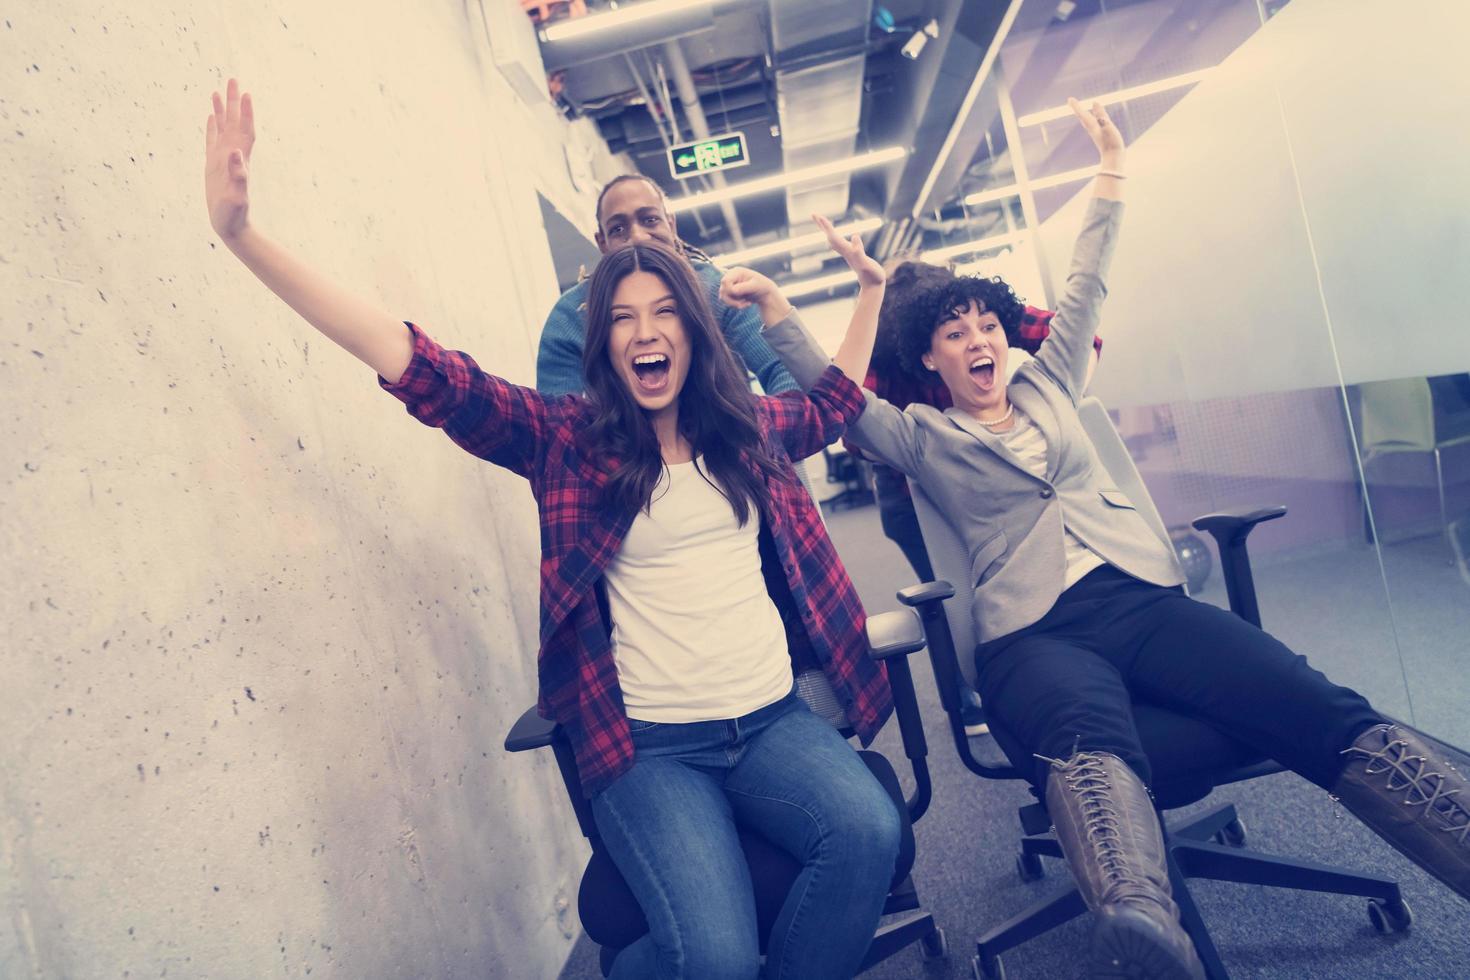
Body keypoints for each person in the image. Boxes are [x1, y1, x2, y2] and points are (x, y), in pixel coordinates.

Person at [747, 98, 1470, 980]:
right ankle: (1141, 928)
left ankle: (1456, 833)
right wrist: (793, 306)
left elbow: (1088, 280)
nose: (977, 340)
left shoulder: (1051, 382)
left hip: (1140, 597)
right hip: (1031, 634)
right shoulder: (919, 436)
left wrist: (1113, 170)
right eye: (954, 332)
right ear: (929, 359)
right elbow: (835, 396)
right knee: (1083, 734)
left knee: (1303, 694)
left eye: (986, 325)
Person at [203, 79, 901, 980]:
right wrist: (245, 236)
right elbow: (421, 367)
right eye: (621, 321)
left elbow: (837, 401)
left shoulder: (748, 431)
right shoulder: (568, 441)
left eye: (662, 316)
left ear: (691, 333)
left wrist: (871, 289)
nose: (644, 334)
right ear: (603, 345)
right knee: (718, 956)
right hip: (653, 748)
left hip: (771, 722)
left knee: (870, 834)